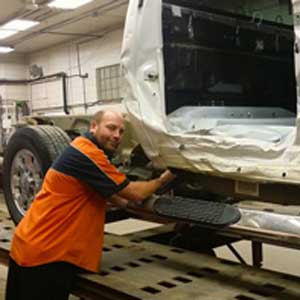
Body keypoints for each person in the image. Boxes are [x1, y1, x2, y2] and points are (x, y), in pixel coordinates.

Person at [6, 110, 175, 300]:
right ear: (93, 126)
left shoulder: (81, 148)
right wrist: (163, 179)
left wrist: (139, 203)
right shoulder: (87, 154)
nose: (117, 135)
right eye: (111, 128)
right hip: (46, 255)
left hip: (30, 244)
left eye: (121, 131)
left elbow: (117, 198)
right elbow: (134, 193)